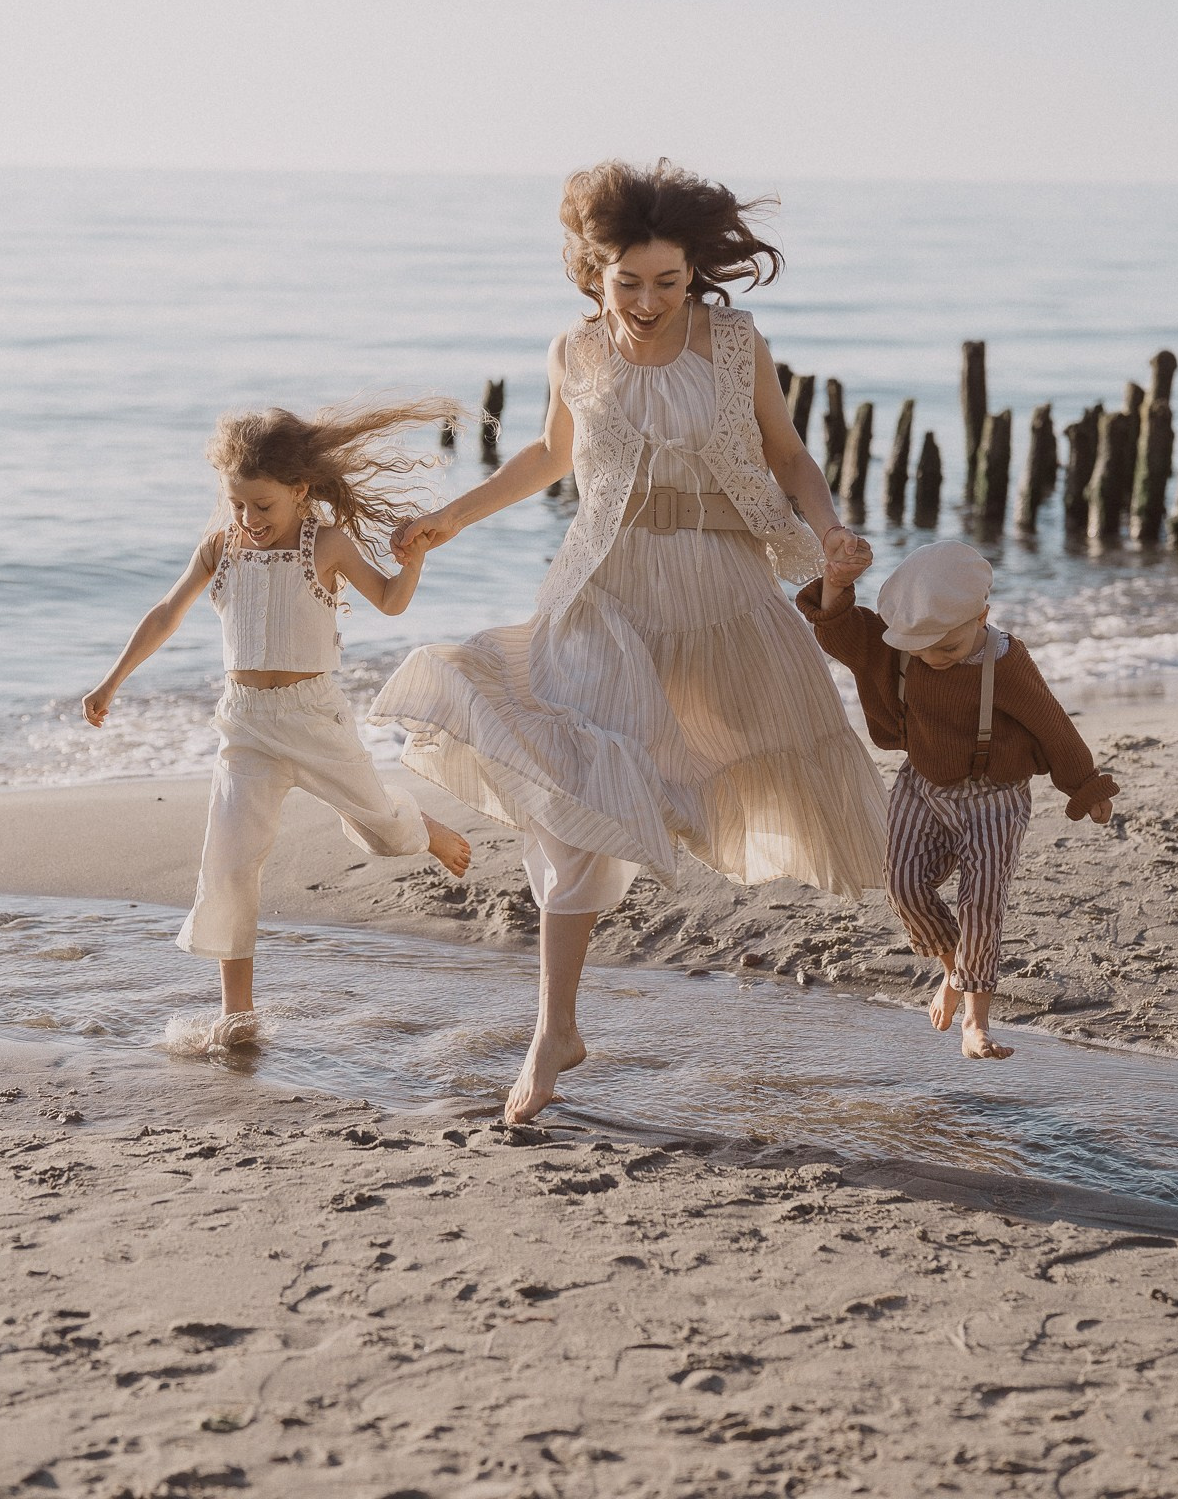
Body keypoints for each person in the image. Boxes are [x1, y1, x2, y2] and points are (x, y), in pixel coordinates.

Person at [372, 160, 888, 1122]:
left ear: (694, 274)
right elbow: (549, 456)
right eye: (628, 281)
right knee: (579, 802)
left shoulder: (733, 343)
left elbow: (786, 455)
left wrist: (825, 534)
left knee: (720, 771)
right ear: (592, 271)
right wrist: (449, 520)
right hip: (599, 590)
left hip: (718, 590)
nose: (648, 300)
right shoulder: (577, 350)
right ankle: (553, 1027)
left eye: (668, 281)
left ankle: (961, 969)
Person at [83, 399, 474, 1049]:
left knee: (382, 833)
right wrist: (112, 680)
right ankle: (237, 1014)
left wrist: (417, 555)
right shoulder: (220, 550)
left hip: (315, 718)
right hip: (247, 731)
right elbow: (164, 614)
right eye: (239, 504)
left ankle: (421, 826)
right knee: (230, 863)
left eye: (262, 506)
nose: (249, 519)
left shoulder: (325, 544)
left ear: (299, 490)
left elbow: (392, 601)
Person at [798, 539, 1117, 1059]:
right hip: (921, 785)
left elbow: (1051, 722)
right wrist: (835, 582)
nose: (933, 659)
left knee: (982, 900)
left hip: (994, 795)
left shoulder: (1006, 662)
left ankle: (976, 1019)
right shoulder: (903, 645)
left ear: (982, 615)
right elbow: (839, 632)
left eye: (946, 647)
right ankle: (952, 970)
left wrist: (1086, 786)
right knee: (903, 884)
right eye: (921, 649)